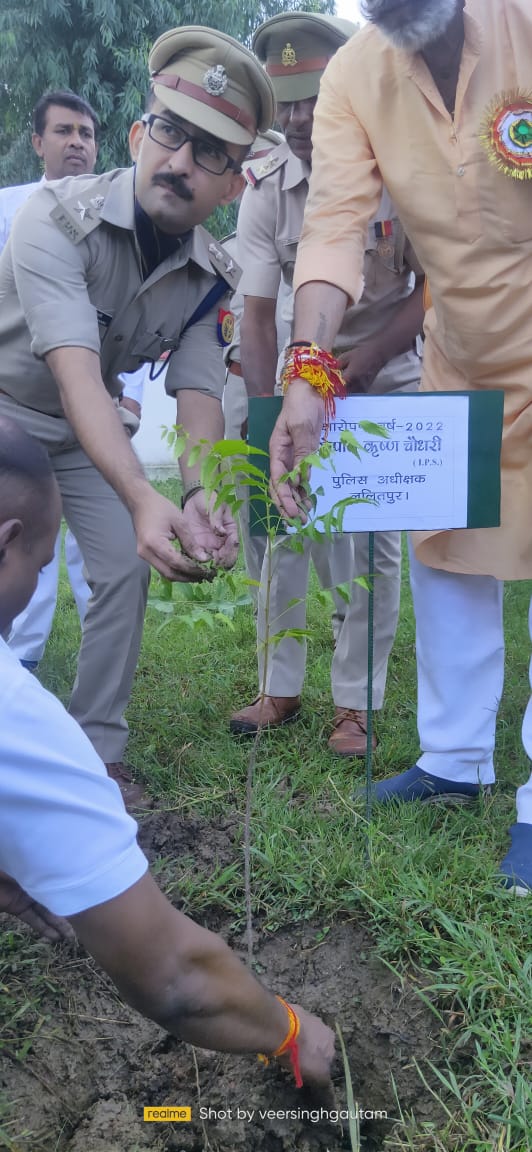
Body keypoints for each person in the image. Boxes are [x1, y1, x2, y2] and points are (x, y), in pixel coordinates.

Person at [268, 0, 532, 892]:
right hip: (460, 352)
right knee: (446, 550)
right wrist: (309, 374)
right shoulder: (353, 76)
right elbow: (335, 223)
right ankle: (455, 759)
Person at [0, 414, 334, 1090]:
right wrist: (289, 1031)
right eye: (39, 568)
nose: (35, 591)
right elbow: (177, 980)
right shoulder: (17, 717)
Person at [0, 27, 275, 803]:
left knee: (123, 567)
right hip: (7, 408)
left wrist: (197, 494)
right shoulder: (54, 216)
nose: (181, 162)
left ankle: (96, 752)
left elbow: (195, 397)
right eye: (172, 133)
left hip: (78, 430)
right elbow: (77, 372)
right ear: (138, 133)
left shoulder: (212, 277)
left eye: (211, 153)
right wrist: (140, 495)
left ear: (235, 185)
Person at [229, 12, 423, 755]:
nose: (304, 118)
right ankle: (278, 685)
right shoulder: (265, 187)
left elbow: (427, 290)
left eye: (316, 97)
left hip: (384, 366)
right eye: (289, 102)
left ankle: (356, 702)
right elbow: (254, 313)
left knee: (371, 535)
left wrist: (363, 362)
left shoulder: (400, 172)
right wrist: (271, 408)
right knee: (282, 526)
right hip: (290, 366)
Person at [0, 89, 146, 671]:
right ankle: (22, 664)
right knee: (19, 543)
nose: (77, 143)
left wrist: (127, 399)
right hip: (14, 413)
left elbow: (134, 325)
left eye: (86, 133)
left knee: (109, 561)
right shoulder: (10, 209)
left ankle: (96, 724)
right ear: (37, 142)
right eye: (63, 131)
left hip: (92, 417)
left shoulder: (121, 224)